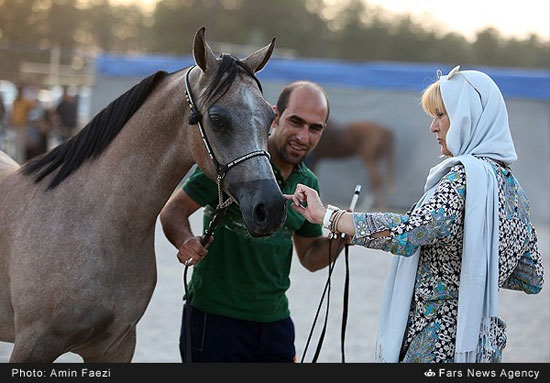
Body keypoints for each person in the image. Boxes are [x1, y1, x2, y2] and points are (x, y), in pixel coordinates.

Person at [285, 67, 544, 363]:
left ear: (468, 117)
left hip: (437, 343)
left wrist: (327, 216)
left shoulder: (463, 180)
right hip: (481, 343)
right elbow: (531, 276)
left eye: (441, 115)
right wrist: (471, 271)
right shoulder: (513, 191)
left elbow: (409, 232)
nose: (433, 127)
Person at [160, 81, 347, 363]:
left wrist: (345, 234)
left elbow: (309, 256)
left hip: (275, 323)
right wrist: (185, 240)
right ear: (275, 116)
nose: (303, 136)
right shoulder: (232, 164)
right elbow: (174, 210)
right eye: (295, 122)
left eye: (315, 128)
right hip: (215, 318)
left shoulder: (308, 183)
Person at [9, 85, 35, 163]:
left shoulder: (26, 102)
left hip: (23, 126)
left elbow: (34, 106)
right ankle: (15, 160)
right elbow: (13, 113)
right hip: (15, 126)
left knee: (21, 147)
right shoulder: (15, 101)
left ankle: (20, 162)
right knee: (14, 145)